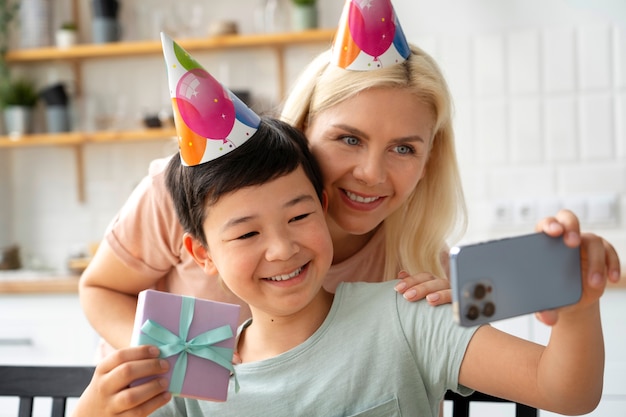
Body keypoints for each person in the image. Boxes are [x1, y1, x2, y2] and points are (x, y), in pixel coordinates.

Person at [78, 0, 622, 356]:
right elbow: (100, 289)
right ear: (303, 128)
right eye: (349, 138)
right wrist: (194, 368)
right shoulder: (185, 197)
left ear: (430, 158)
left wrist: (569, 279)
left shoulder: (417, 263)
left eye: (404, 148)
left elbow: (525, 353)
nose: (371, 173)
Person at [70, 107, 614, 417]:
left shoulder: (406, 313)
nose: (282, 248)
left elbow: (566, 391)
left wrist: (579, 306)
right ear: (201, 255)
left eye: (299, 216)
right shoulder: (191, 365)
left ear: (323, 206)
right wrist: (94, 410)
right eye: (248, 232)